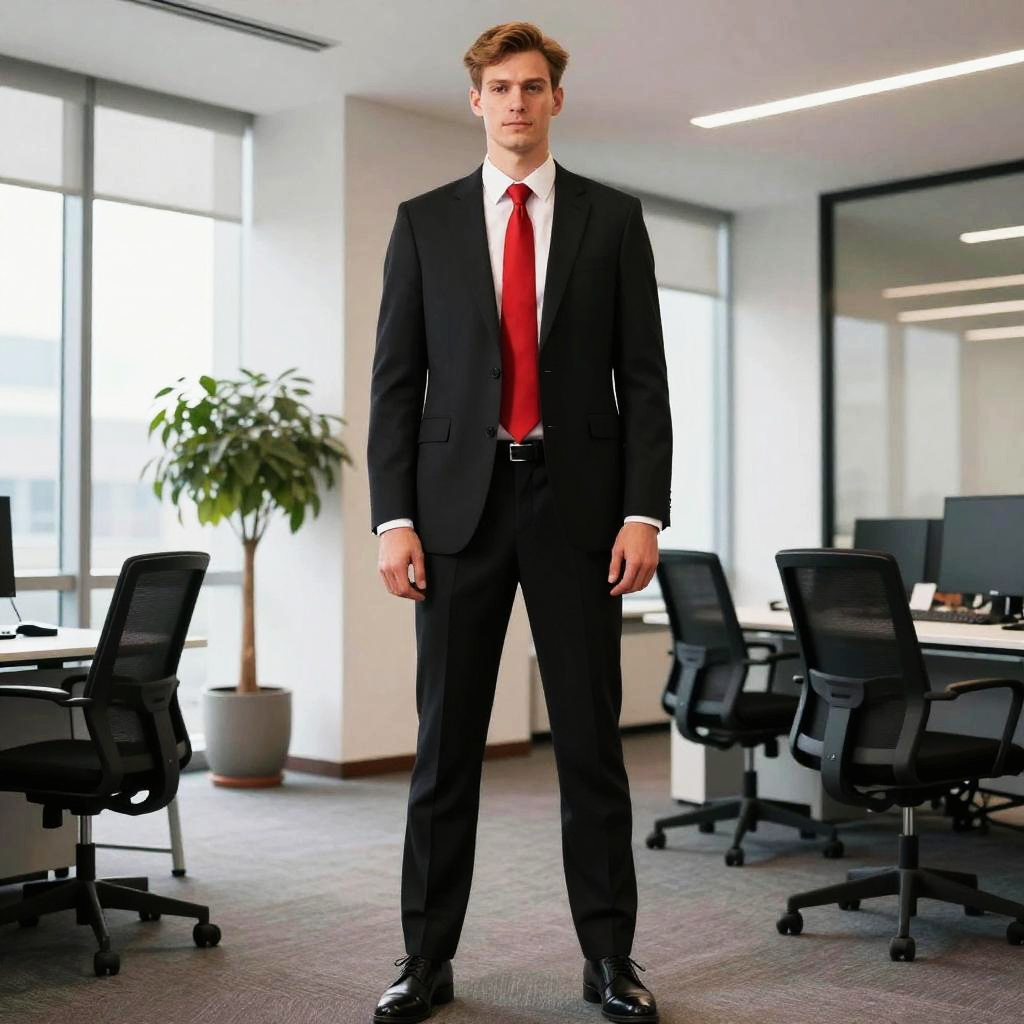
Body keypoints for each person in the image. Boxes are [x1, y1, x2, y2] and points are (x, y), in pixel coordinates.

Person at [367, 21, 671, 1024]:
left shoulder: (611, 219)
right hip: (456, 511)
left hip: (578, 510)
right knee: (443, 751)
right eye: (499, 87)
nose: (515, 103)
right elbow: (396, 387)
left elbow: (646, 382)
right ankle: (425, 962)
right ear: (475, 99)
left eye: (532, 86)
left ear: (555, 99)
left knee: (589, 749)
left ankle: (608, 963)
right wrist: (393, 519)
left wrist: (642, 512)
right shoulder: (423, 222)